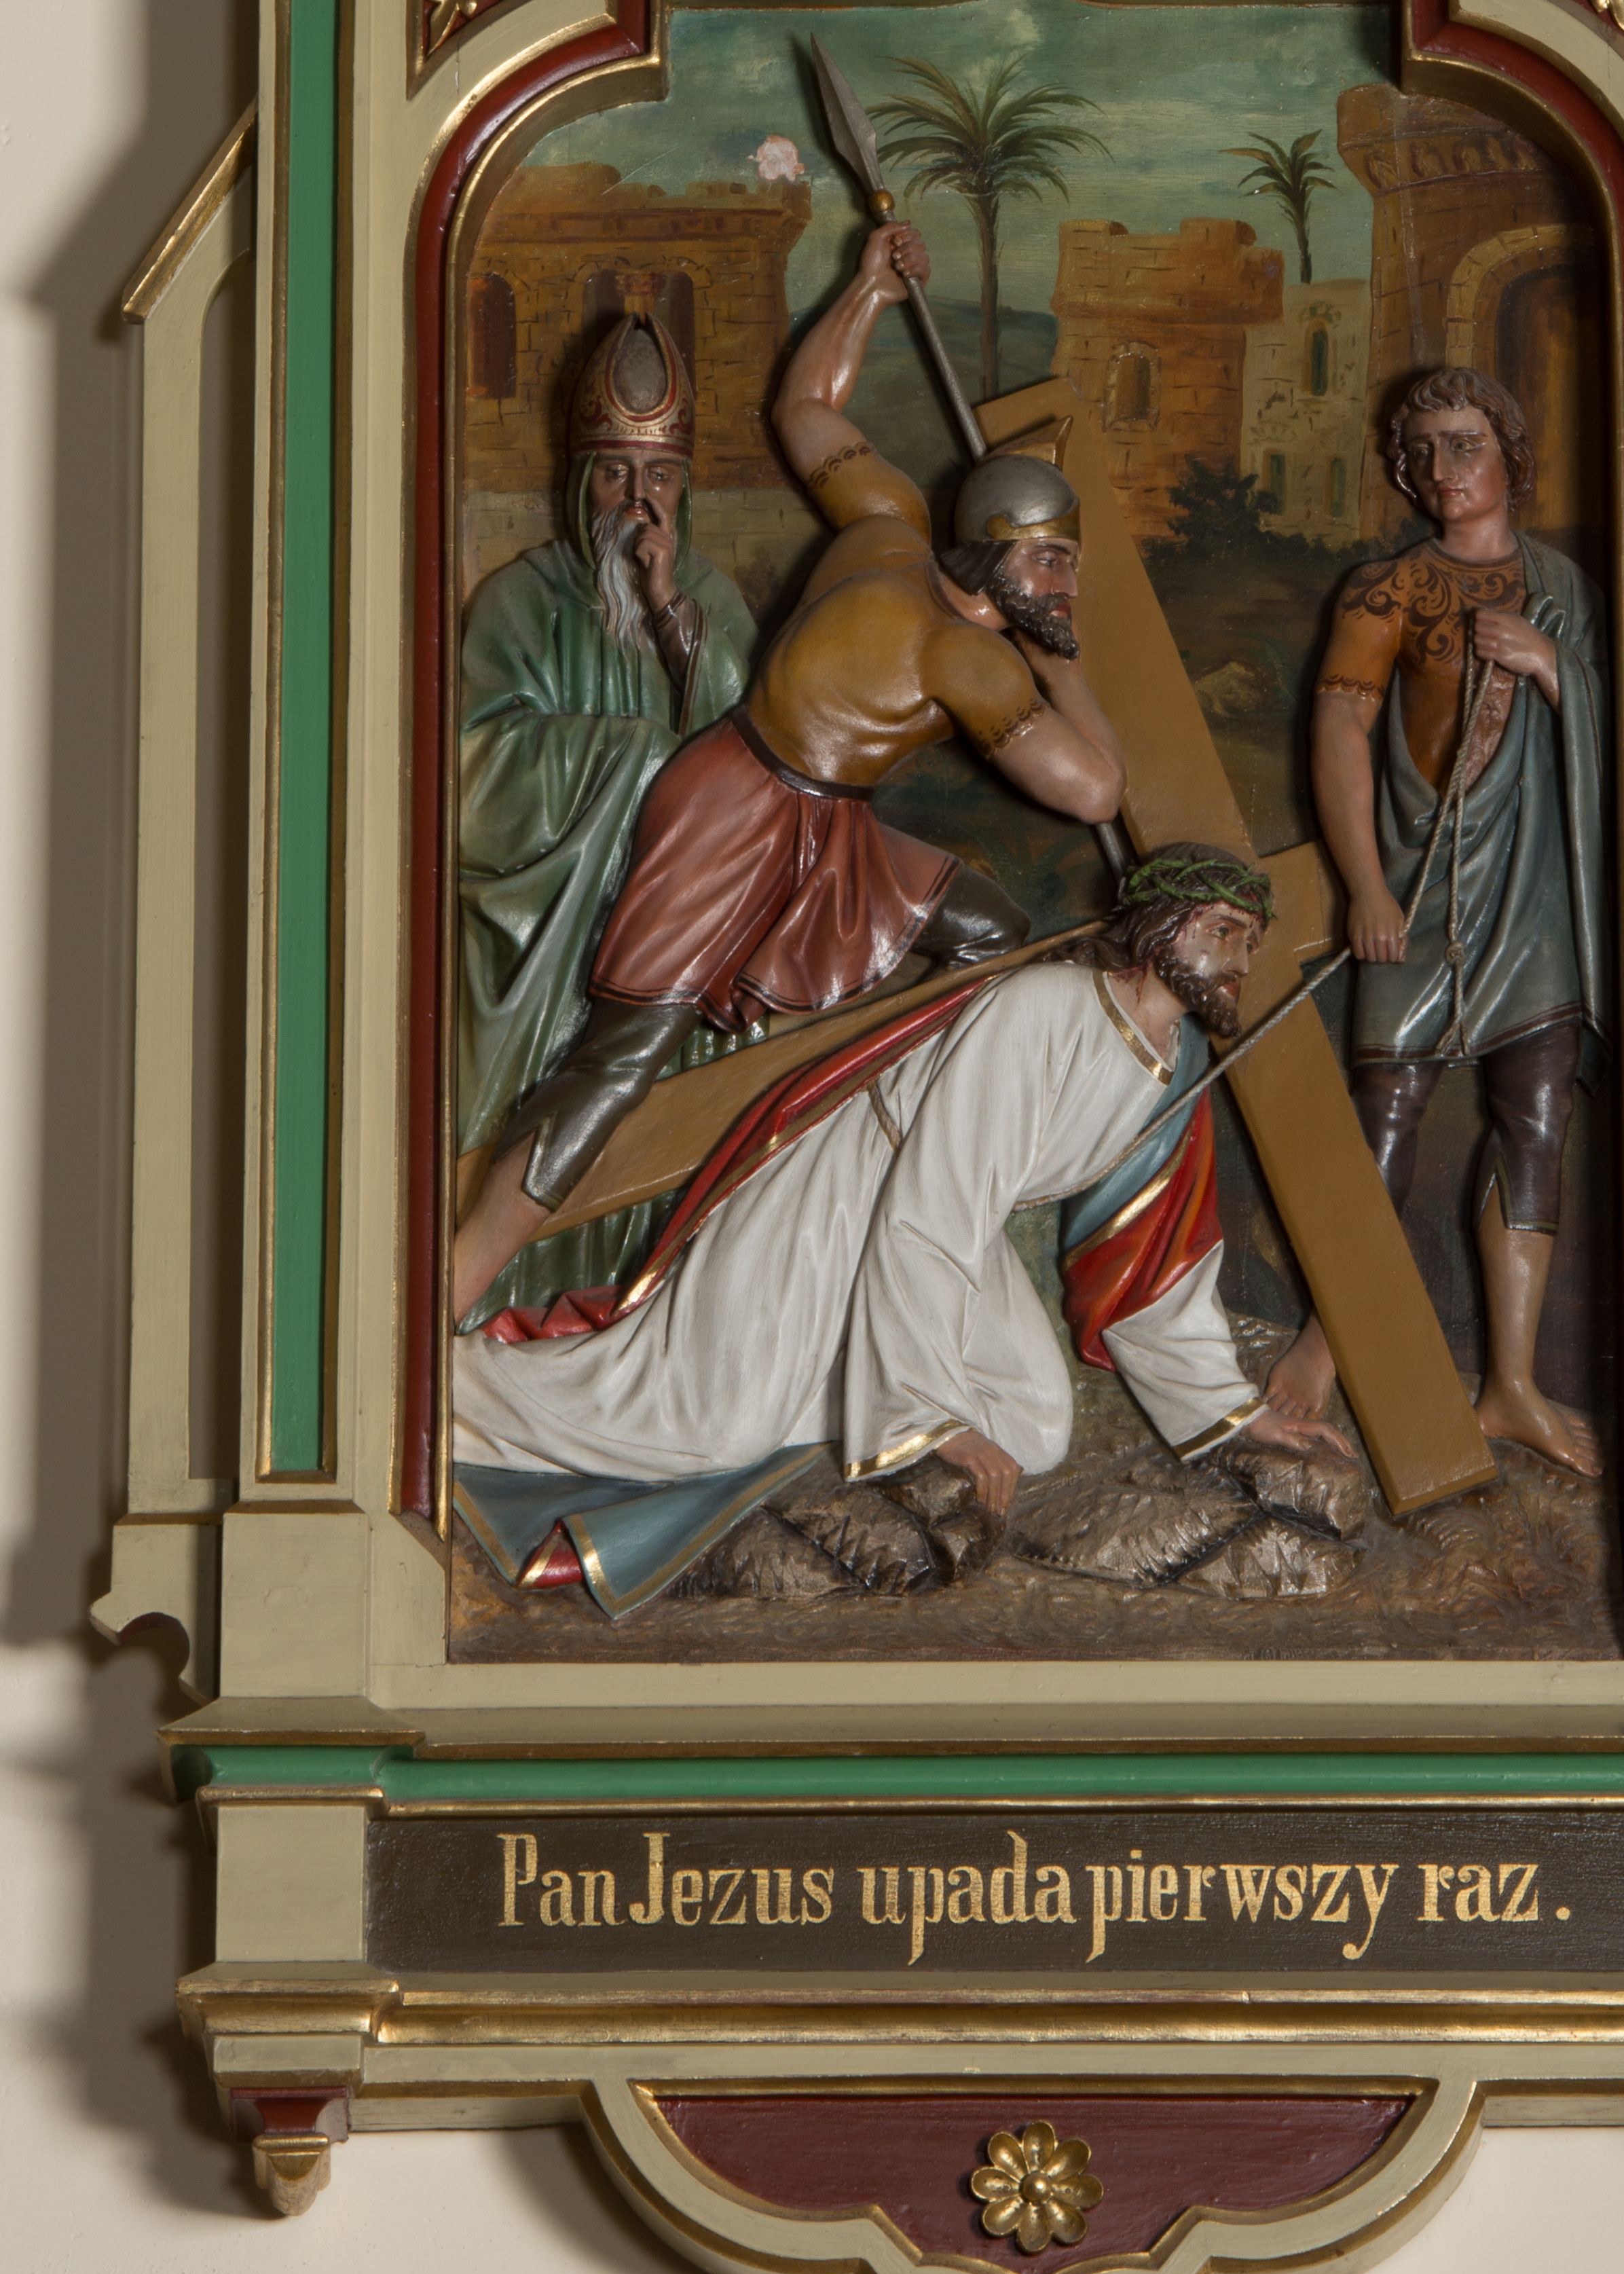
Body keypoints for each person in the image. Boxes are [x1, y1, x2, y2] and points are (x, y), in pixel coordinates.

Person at [450, 217, 1126, 1322]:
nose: (1063, 588)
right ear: (996, 552)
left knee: (992, 932)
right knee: (622, 1055)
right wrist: (1070, 667)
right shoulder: (970, 661)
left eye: (1070, 567)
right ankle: (462, 1274)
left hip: (827, 827)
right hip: (737, 812)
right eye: (1050, 563)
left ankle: (875, 1145)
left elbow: (803, 405)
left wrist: (868, 289)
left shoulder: (887, 519)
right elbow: (1095, 790)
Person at [450, 845, 1345, 1613]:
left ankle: (847, 1382)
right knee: (710, 1423)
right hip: (846, 1186)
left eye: (1251, 941)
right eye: (1221, 930)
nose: (1238, 958)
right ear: (1159, 928)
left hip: (949, 1218)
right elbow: (933, 1202)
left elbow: (1150, 1254)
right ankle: (446, 1387)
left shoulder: (1171, 1066)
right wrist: (931, 1415)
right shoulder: (1046, 1008)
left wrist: (1232, 1413)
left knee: (1033, 1424)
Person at [1271, 366, 1608, 1477]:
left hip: (1539, 892)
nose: (1440, 468)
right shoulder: (1387, 590)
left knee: (1536, 1117)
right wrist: (1366, 885)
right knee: (1388, 1107)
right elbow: (1341, 736)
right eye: (1420, 451)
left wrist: (1552, 667)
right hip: (1422, 881)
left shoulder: (1565, 590)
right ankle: (1327, 1341)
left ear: (1511, 453)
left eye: (1465, 444)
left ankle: (1511, 1382)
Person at [458, 310, 757, 1323]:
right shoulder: (521, 601)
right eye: (616, 475)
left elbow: (756, 761)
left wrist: (674, 617)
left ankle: (652, 1324)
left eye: (660, 476)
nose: (639, 501)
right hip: (556, 927)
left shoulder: (711, 601)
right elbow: (474, 774)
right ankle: (511, 1308)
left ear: (686, 488)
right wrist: (629, 761)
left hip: (680, 930)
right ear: (578, 480)